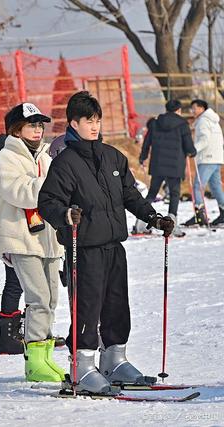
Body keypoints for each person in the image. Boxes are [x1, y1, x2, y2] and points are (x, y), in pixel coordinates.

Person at [38, 91, 175, 394]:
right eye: (88, 120)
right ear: (73, 122)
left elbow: (130, 194)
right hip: (83, 248)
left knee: (116, 305)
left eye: (97, 120)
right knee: (87, 308)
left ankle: (114, 359)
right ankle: (82, 366)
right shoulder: (66, 163)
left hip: (114, 245)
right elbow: (47, 202)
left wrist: (153, 218)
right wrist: (65, 213)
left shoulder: (112, 157)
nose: (95, 126)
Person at [0, 103, 66, 382]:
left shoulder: (45, 157)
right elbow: (21, 193)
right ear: (16, 129)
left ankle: (45, 356)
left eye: (40, 125)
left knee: (51, 299)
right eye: (31, 125)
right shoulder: (7, 158)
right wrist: (53, 181)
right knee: (38, 298)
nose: (37, 130)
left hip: (47, 238)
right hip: (21, 238)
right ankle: (34, 362)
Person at [135, 99, 196, 236]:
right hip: (175, 165)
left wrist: (143, 157)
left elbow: (147, 142)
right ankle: (172, 224)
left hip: (157, 165)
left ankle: (140, 223)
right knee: (174, 194)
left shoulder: (155, 123)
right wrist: (192, 152)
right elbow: (188, 145)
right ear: (179, 110)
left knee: (152, 193)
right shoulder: (182, 124)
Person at [0, 133, 25, 355]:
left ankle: (13, 335)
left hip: (11, 231)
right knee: (16, 283)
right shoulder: (5, 171)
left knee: (17, 283)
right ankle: (9, 338)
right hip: (11, 232)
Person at [184, 99, 224, 226]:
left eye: (194, 108)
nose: (193, 111)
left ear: (202, 108)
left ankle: (199, 215)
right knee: (215, 186)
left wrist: (193, 150)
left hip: (207, 158)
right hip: (216, 157)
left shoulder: (203, 121)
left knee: (197, 186)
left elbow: (205, 139)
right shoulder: (213, 121)